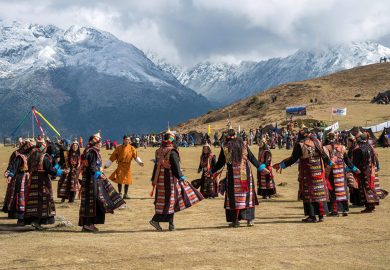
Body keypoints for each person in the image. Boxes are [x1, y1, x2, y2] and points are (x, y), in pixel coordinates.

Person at [149, 131, 203, 231]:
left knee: (164, 201)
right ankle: (157, 220)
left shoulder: (158, 151)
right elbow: (175, 167)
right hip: (169, 180)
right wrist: (181, 177)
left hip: (159, 180)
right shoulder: (172, 152)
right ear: (172, 140)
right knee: (170, 201)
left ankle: (171, 224)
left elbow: (156, 165)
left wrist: (153, 178)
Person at [274, 128, 331, 223]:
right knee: (319, 193)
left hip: (308, 173)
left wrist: (282, 165)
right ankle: (321, 215)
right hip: (319, 173)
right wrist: (330, 163)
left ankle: (312, 216)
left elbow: (293, 159)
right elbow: (325, 156)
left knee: (309, 194)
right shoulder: (317, 142)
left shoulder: (300, 145)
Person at [211, 128, 263, 227]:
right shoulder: (242, 144)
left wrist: (212, 171)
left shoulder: (226, 146)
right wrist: (260, 167)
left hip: (234, 175)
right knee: (246, 196)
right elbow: (251, 157)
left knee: (234, 197)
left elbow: (221, 162)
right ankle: (249, 219)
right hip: (244, 173)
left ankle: (235, 221)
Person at [79, 132, 125, 232]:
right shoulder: (92, 153)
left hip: (89, 180)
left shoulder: (88, 151)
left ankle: (87, 224)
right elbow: (92, 168)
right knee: (94, 202)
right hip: (92, 181)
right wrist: (99, 174)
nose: (101, 143)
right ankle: (88, 224)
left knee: (90, 202)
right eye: (100, 142)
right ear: (96, 143)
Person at [24, 137, 65, 230]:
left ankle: (33, 220)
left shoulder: (32, 156)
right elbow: (50, 170)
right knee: (43, 200)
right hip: (43, 181)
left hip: (33, 180)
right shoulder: (44, 157)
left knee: (34, 200)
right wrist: (61, 171)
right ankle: (37, 222)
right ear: (44, 147)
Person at [323, 131, 356, 216]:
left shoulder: (326, 148)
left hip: (331, 173)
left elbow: (325, 161)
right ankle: (344, 210)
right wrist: (354, 168)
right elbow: (347, 160)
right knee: (342, 190)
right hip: (341, 172)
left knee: (333, 190)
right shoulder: (342, 147)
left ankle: (334, 210)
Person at [3, 139, 35, 225]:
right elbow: (13, 166)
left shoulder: (31, 156)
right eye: (31, 148)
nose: (32, 150)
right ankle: (20, 219)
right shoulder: (19, 156)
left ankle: (28, 218)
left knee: (28, 198)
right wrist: (10, 175)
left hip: (28, 179)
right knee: (20, 198)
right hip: (20, 179)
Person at [104, 135, 144, 199]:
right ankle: (119, 193)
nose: (127, 141)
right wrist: (107, 164)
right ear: (123, 140)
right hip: (120, 165)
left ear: (129, 140)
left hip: (128, 166)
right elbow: (113, 156)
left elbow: (135, 156)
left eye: (128, 140)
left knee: (127, 180)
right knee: (119, 180)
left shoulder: (132, 148)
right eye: (126, 139)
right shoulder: (119, 148)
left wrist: (140, 162)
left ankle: (125, 194)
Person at [351, 133, 379, 213]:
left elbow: (355, 162)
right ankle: (372, 205)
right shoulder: (369, 147)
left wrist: (352, 168)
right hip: (370, 170)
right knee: (370, 186)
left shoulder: (359, 149)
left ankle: (369, 206)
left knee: (365, 188)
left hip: (363, 171)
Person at [57, 139, 81, 203]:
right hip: (68, 171)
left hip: (75, 172)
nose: (75, 147)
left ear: (78, 147)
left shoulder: (79, 155)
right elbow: (64, 161)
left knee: (73, 185)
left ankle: (71, 199)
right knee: (63, 184)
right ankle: (63, 198)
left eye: (76, 146)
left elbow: (79, 163)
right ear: (71, 146)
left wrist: (77, 169)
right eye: (74, 145)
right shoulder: (68, 154)